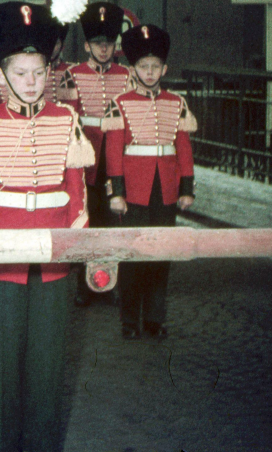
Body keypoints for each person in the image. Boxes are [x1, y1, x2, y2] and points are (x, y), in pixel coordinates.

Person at [0, 1, 94, 452]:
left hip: (55, 261)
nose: (31, 82)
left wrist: (77, 248)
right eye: (20, 73)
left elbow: (78, 196)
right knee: (3, 367)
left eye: (38, 72)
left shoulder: (67, 120)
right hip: (3, 261)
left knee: (48, 366)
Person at [103, 24, 196, 340]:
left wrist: (186, 188)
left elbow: (183, 147)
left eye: (156, 66)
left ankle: (155, 319)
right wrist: (116, 192)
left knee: (161, 256)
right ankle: (129, 320)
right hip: (133, 191)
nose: (150, 71)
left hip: (165, 191)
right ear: (133, 69)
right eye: (144, 66)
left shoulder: (176, 102)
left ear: (165, 68)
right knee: (133, 257)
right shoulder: (120, 103)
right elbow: (114, 152)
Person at [59, 1, 132, 307]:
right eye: (98, 44)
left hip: (116, 160)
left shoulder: (127, 74)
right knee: (86, 221)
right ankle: (84, 285)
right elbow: (70, 120)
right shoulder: (72, 74)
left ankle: (110, 282)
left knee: (112, 223)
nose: (104, 50)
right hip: (86, 159)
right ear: (87, 45)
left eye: (109, 43)